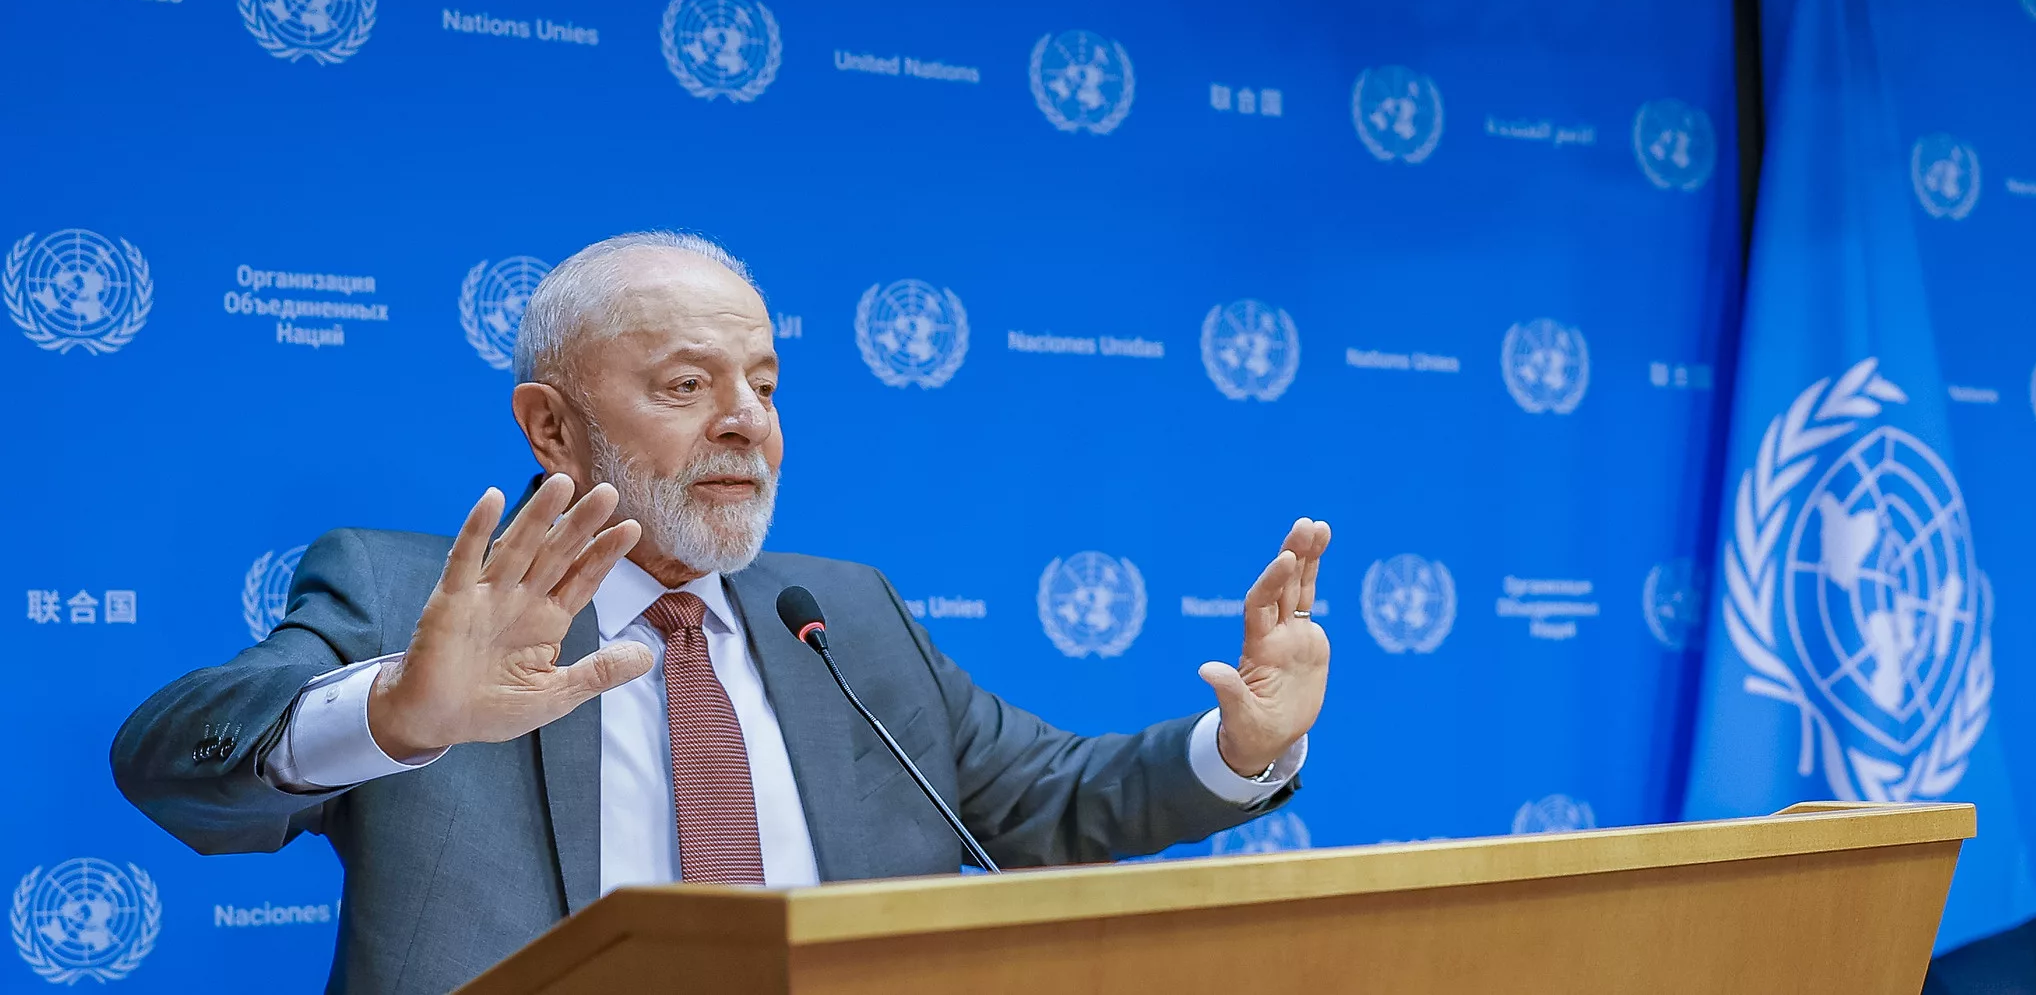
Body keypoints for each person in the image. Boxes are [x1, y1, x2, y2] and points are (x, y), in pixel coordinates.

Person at [111, 231, 1332, 995]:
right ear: (550, 426)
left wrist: (1242, 748)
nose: (746, 418)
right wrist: (394, 711)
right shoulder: (416, 595)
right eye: (687, 385)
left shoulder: (841, 609)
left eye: (764, 381)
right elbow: (168, 760)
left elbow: (1047, 798)